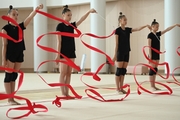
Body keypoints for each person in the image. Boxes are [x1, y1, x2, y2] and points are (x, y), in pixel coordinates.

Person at [2, 4, 43, 105]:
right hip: (10, 54)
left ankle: (12, 98)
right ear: (8, 16)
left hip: (19, 53)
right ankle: (9, 99)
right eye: (14, 14)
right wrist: (3, 59)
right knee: (8, 75)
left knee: (14, 76)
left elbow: (29, 18)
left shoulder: (20, 26)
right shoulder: (5, 29)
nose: (16, 16)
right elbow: (4, 45)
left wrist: (36, 10)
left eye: (17, 14)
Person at [55, 5, 96, 97]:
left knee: (69, 73)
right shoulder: (60, 26)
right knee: (63, 73)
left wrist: (89, 12)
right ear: (63, 15)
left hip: (71, 51)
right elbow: (59, 41)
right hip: (63, 52)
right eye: (68, 15)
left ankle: (67, 93)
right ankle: (63, 93)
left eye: (71, 15)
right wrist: (58, 54)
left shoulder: (71, 25)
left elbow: (81, 19)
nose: (70, 17)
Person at [113, 12, 151, 94]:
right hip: (120, 51)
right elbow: (116, 44)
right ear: (120, 20)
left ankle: (121, 87)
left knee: (123, 70)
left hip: (127, 51)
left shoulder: (127, 30)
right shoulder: (117, 31)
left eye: (126, 20)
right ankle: (117, 88)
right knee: (119, 70)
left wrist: (145, 25)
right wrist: (114, 55)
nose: (126, 21)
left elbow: (137, 29)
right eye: (124, 20)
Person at [147, 19, 180, 90]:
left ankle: (154, 85)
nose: (158, 28)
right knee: (152, 69)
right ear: (152, 27)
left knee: (155, 69)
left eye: (158, 27)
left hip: (157, 53)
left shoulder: (158, 34)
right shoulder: (150, 35)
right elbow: (149, 46)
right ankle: (151, 86)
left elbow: (167, 29)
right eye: (156, 27)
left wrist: (175, 25)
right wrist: (150, 56)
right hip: (152, 54)